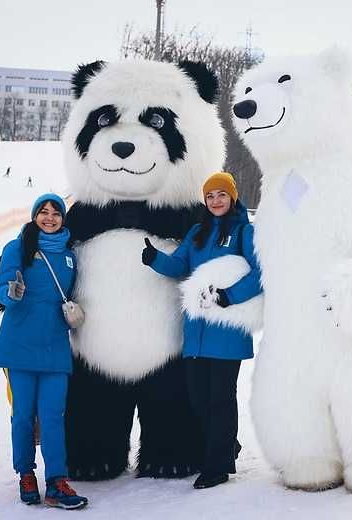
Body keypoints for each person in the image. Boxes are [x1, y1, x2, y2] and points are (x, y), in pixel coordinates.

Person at [141, 172, 262, 490]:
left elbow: (259, 273)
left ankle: (217, 466)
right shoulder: (197, 232)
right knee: (198, 399)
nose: (216, 201)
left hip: (226, 331)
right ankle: (225, 447)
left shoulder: (244, 232)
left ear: (232, 197)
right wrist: (155, 259)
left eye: (222, 195)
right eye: (210, 196)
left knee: (220, 399)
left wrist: (230, 295)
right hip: (195, 333)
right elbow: (180, 266)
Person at [0, 193, 88, 510]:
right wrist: (11, 292)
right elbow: (2, 288)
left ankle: (57, 481)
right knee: (23, 416)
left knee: (53, 417)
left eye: (55, 213)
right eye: (43, 212)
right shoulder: (17, 247)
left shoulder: (70, 255)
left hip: (55, 345)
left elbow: (74, 291)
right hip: (19, 345)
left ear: (63, 218)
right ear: (34, 217)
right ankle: (26, 474)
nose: (49, 218)